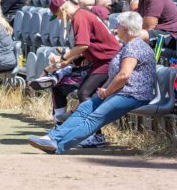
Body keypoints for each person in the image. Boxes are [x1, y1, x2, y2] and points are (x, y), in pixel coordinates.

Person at [28, 11, 156, 154]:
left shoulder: (134, 47)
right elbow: (115, 75)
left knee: (95, 117)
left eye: (118, 25)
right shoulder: (128, 46)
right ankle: (50, 138)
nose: (115, 28)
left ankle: (58, 146)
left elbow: (124, 75)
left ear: (125, 29)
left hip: (133, 95)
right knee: (84, 109)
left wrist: (107, 92)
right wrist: (104, 90)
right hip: (119, 92)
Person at [48, 0, 121, 147]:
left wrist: (63, 58)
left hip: (109, 60)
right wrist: (67, 60)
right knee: (85, 94)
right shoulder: (82, 15)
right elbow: (86, 47)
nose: (60, 19)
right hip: (103, 60)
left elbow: (82, 45)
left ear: (63, 9)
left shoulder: (79, 17)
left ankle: (94, 135)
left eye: (58, 15)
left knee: (84, 94)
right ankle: (95, 135)